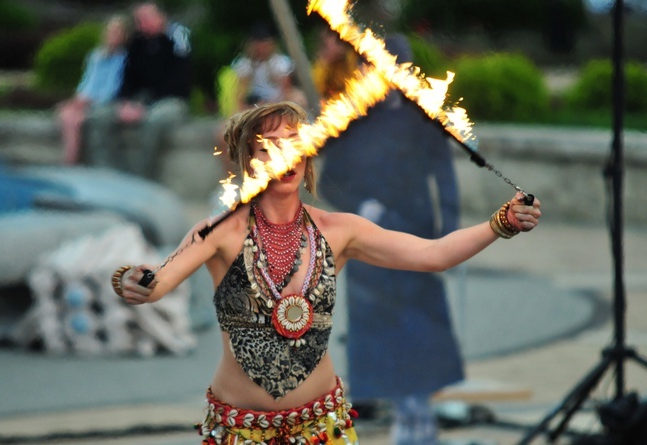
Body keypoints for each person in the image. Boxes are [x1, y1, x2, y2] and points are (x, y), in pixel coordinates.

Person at [110, 101, 541, 444]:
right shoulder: (217, 233)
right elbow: (159, 281)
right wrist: (132, 279)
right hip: (239, 433)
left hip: (322, 429)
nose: (285, 154)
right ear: (248, 160)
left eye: (293, 141)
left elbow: (433, 255)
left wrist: (499, 222)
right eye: (268, 146)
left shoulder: (340, 231)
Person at [319, 34, 464, 445]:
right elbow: (329, 176)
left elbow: (444, 175)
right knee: (380, 328)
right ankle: (401, 410)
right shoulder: (352, 115)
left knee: (421, 325)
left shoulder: (423, 115)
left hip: (418, 234)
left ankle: (420, 409)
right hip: (370, 243)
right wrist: (359, 207)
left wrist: (450, 234)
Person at [84, 1, 192, 179]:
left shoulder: (178, 38)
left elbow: (179, 81)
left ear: (161, 17)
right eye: (139, 20)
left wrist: (144, 105)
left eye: (147, 19)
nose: (142, 24)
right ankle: (107, 173)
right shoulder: (136, 42)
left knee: (153, 122)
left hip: (170, 100)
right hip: (138, 100)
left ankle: (140, 178)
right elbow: (127, 78)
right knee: (99, 117)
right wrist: (127, 102)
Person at [56, 15, 129, 165]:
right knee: (67, 115)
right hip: (87, 101)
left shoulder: (124, 59)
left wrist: (88, 101)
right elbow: (86, 83)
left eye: (117, 32)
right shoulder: (96, 56)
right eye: (110, 32)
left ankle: (75, 161)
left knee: (83, 118)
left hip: (106, 103)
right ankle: (70, 161)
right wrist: (79, 99)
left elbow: (113, 89)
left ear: (124, 36)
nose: (112, 36)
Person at [230, 22, 307, 111]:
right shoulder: (245, 64)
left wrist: (271, 104)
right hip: (254, 102)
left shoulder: (281, 62)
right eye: (258, 45)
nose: (261, 49)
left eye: (264, 45)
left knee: (299, 96)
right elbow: (241, 91)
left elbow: (286, 89)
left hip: (277, 100)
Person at [311, 27, 359, 103]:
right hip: (334, 107)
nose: (339, 43)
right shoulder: (319, 68)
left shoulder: (350, 57)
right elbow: (316, 91)